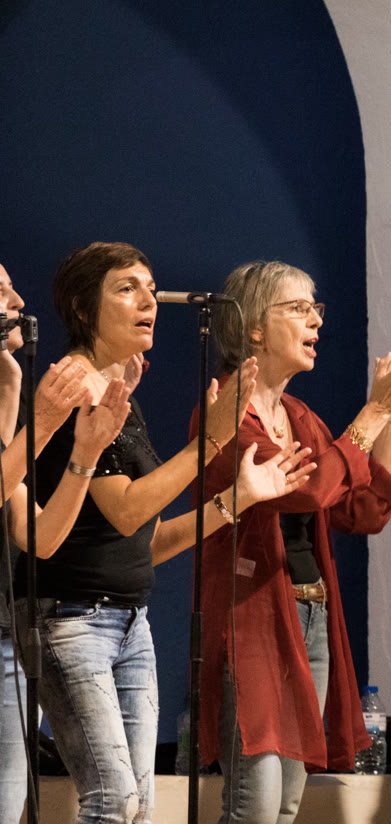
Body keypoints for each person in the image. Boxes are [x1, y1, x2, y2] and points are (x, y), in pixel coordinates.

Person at [38, 241, 313, 823]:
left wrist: (238, 498)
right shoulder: (75, 390)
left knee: (139, 808)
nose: (149, 301)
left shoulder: (121, 400)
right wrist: (210, 439)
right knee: (113, 801)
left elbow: (151, 539)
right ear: (84, 309)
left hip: (129, 621)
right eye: (127, 288)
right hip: (74, 620)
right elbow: (126, 512)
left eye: (150, 287)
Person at [196, 261, 391, 824]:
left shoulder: (299, 416)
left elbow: (361, 509)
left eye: (316, 308)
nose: (316, 321)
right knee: (254, 806)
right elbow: (306, 493)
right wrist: (374, 409)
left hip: (311, 617)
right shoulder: (225, 411)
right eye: (298, 308)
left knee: (286, 804)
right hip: (252, 618)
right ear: (255, 327)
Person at [0, 262, 107, 824]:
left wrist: (85, 454)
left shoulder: (7, 389)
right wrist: (41, 421)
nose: (18, 300)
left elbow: (38, 537)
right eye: (0, 290)